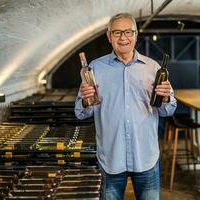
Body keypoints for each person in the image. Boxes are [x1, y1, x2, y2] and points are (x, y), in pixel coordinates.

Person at [74, 13, 177, 200]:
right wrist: (84, 99)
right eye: (117, 32)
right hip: (110, 158)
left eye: (128, 32)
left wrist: (166, 98)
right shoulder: (94, 69)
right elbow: (81, 113)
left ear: (136, 35)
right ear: (109, 36)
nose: (123, 37)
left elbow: (167, 111)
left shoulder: (153, 68)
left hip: (146, 157)